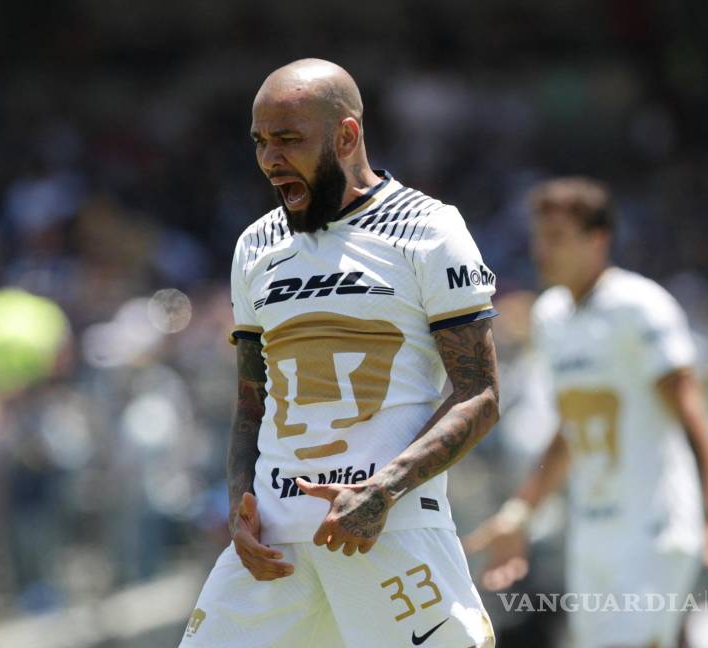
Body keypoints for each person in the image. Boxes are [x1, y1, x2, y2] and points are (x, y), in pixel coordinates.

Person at [180, 58, 500, 647]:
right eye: (260, 142)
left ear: (347, 135)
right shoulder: (255, 245)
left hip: (391, 532)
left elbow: (480, 395)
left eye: (288, 139)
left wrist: (382, 492)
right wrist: (238, 509)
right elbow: (251, 402)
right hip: (274, 547)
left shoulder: (428, 229)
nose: (270, 159)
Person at [464, 177, 708, 648]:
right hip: (593, 531)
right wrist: (521, 512)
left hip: (654, 528)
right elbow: (570, 429)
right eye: (539, 237)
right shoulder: (551, 317)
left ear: (597, 239)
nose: (541, 250)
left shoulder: (640, 307)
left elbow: (691, 412)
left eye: (557, 237)